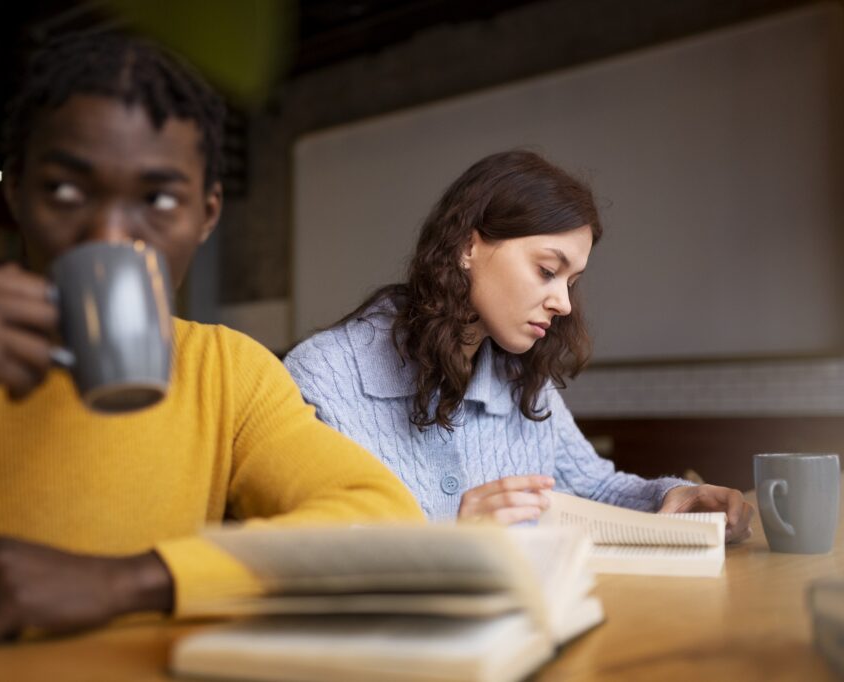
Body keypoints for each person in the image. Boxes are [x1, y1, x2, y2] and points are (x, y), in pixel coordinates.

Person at [0, 32, 422, 647]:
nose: (107, 235)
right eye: (65, 190)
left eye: (158, 199)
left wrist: (135, 581)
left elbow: (381, 523)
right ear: (17, 192)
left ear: (206, 215)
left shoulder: (227, 372)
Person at [284, 150, 753, 540]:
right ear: (467, 247)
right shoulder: (325, 376)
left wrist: (675, 497)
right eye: (548, 271)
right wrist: (451, 540)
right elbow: (304, 549)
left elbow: (593, 488)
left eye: (572, 281)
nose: (564, 303)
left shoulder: (523, 379)